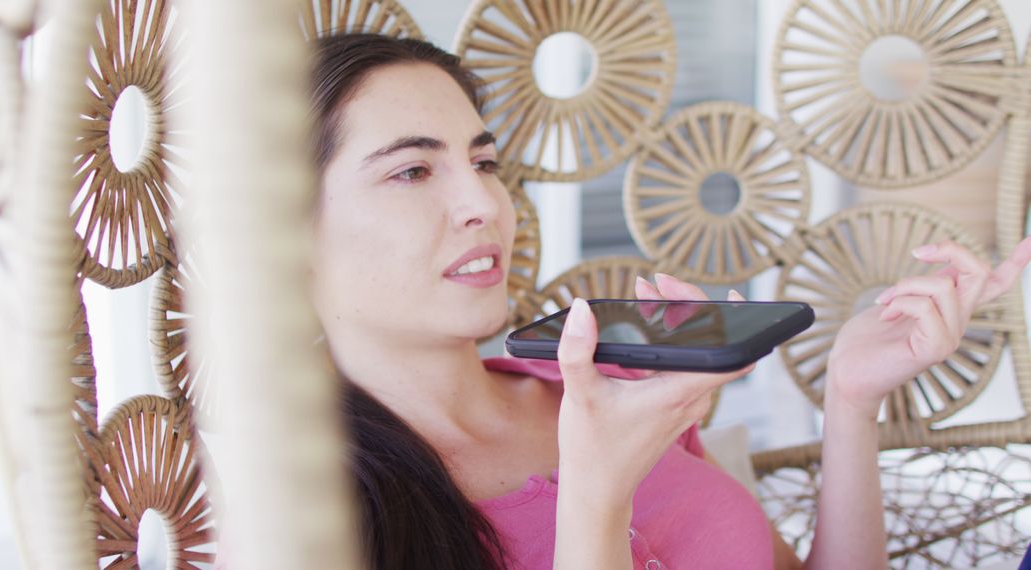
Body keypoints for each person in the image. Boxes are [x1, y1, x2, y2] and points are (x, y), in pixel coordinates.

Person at [304, 33, 1031, 570]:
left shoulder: (606, 390)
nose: (482, 203)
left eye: (485, 162)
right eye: (412, 171)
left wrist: (851, 397)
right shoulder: (310, 515)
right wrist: (595, 494)